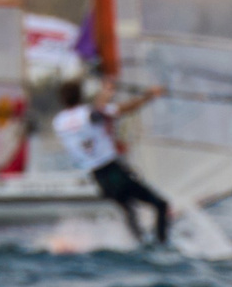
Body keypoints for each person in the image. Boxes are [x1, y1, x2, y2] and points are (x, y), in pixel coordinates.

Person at [53, 79, 170, 245]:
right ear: (80, 95)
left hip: (97, 177)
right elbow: (121, 109)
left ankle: (141, 245)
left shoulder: (58, 122)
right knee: (161, 205)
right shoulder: (90, 113)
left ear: (62, 99)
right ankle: (161, 246)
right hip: (113, 170)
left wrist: (105, 94)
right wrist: (149, 95)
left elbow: (94, 113)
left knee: (129, 211)